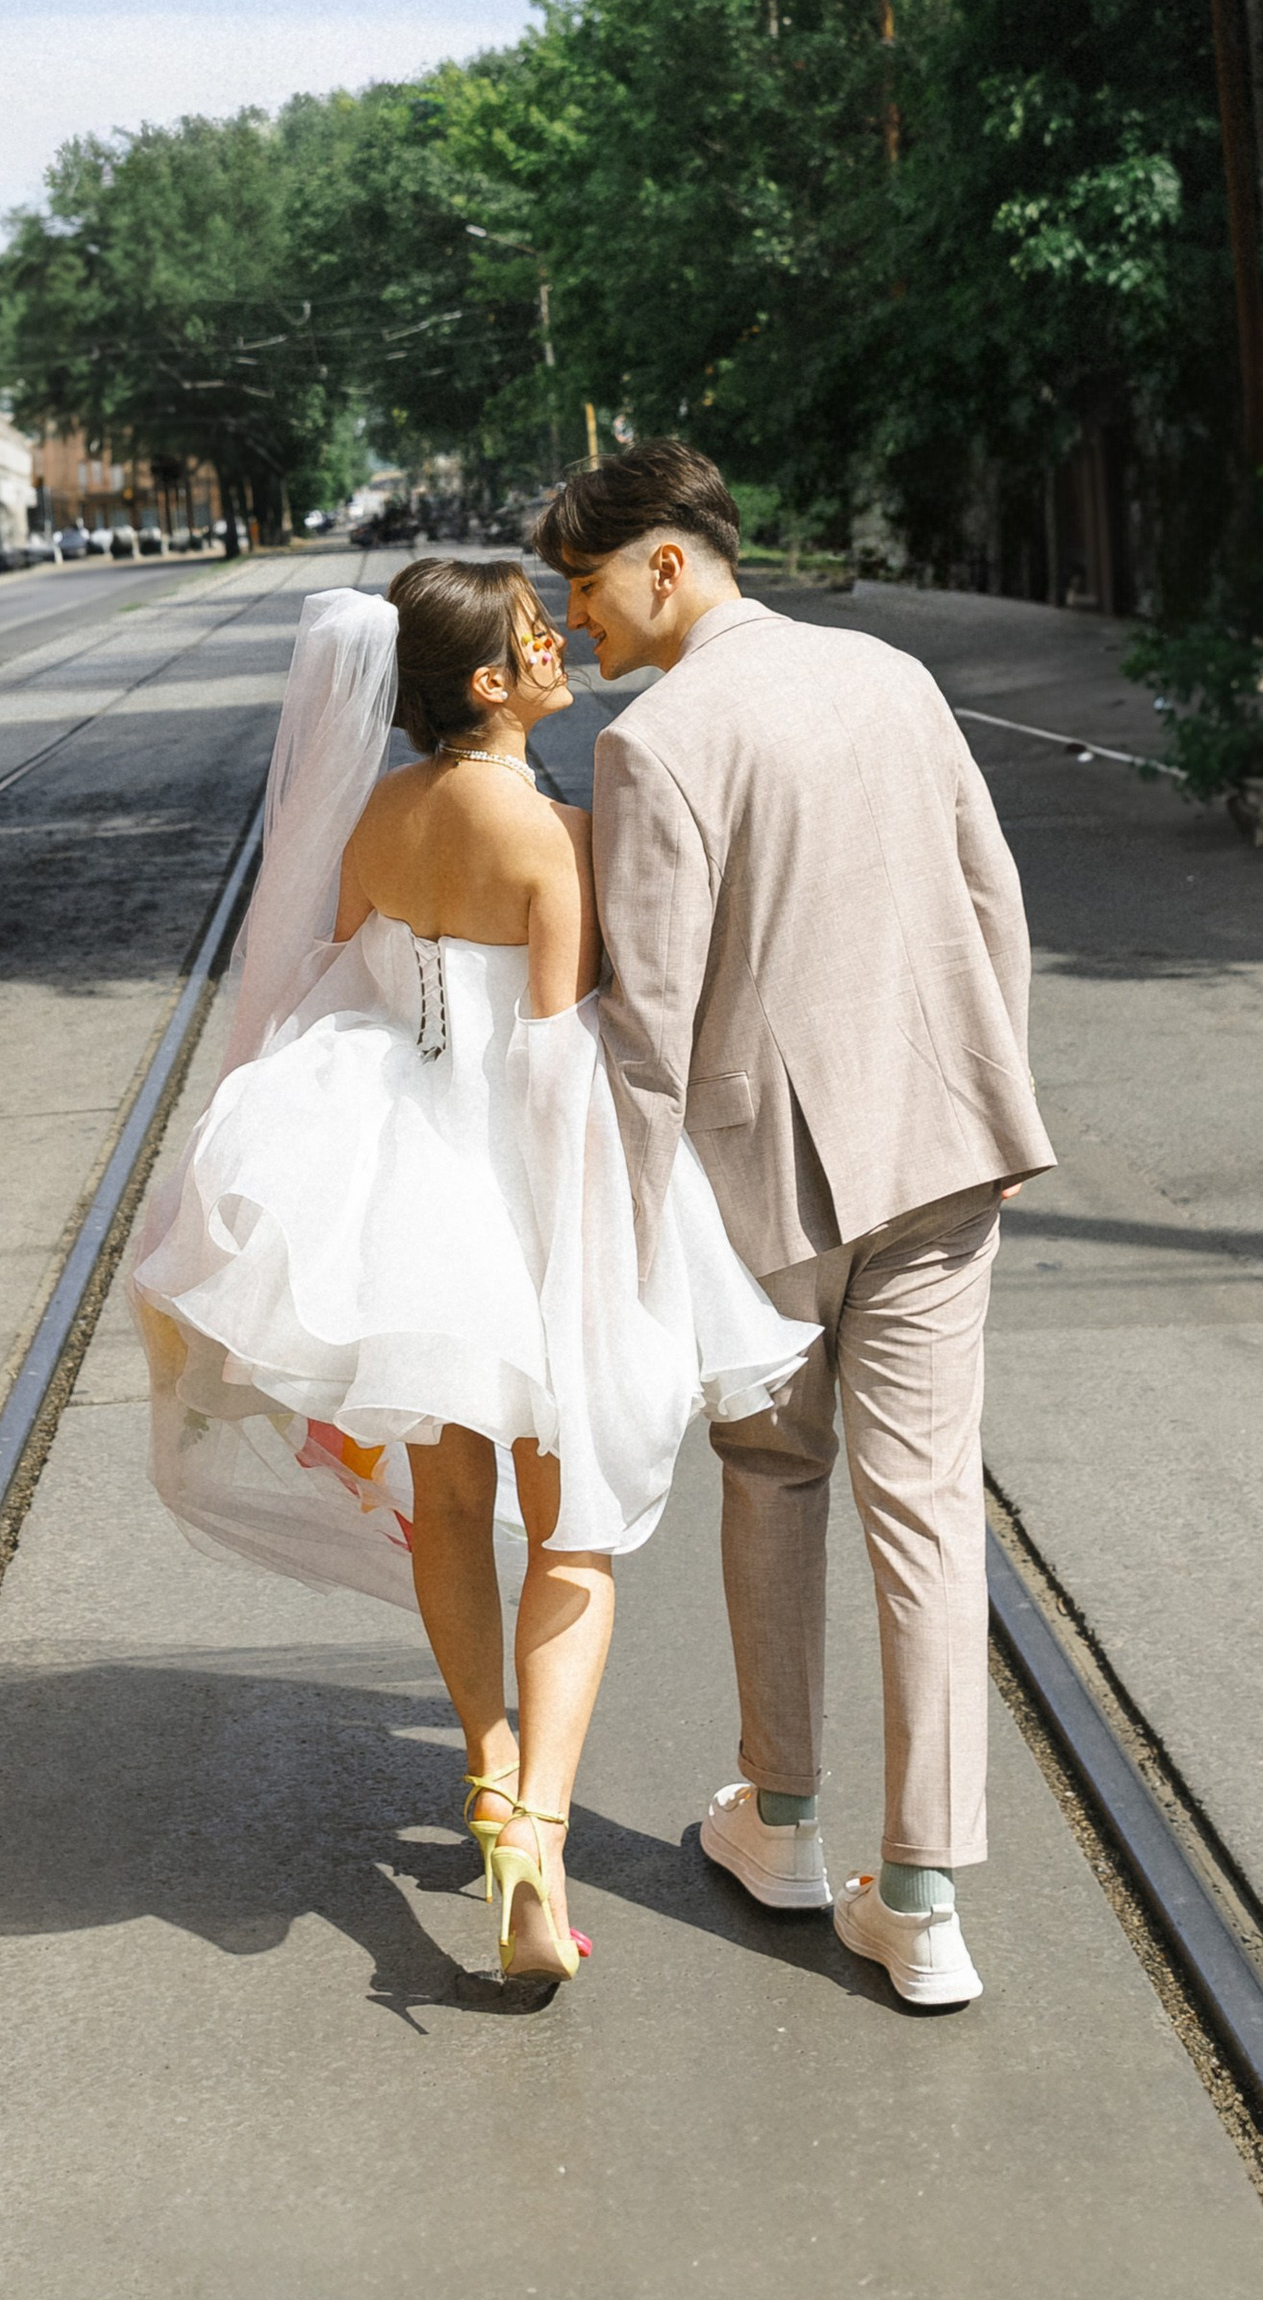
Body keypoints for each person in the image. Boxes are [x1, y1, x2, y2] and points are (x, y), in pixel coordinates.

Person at [132, 560, 808, 1987]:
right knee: (575, 1530)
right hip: (524, 1193)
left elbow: (345, 985)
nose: (560, 642)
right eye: (533, 636)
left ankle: (487, 1773)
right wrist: (603, 1267)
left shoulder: (378, 818)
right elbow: (562, 1068)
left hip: (407, 1191)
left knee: (450, 1495)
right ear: (491, 685)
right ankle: (539, 1845)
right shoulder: (557, 838)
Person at [538, 441, 1053, 2012]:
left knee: (774, 1473)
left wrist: (618, 1247)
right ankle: (922, 1898)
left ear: (668, 562)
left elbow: (649, 1029)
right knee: (926, 1509)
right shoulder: (893, 676)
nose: (580, 632)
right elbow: (994, 898)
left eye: (589, 591)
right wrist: (979, 1084)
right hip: (945, 1150)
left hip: (766, 1185)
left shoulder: (658, 744)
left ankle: (782, 1817)